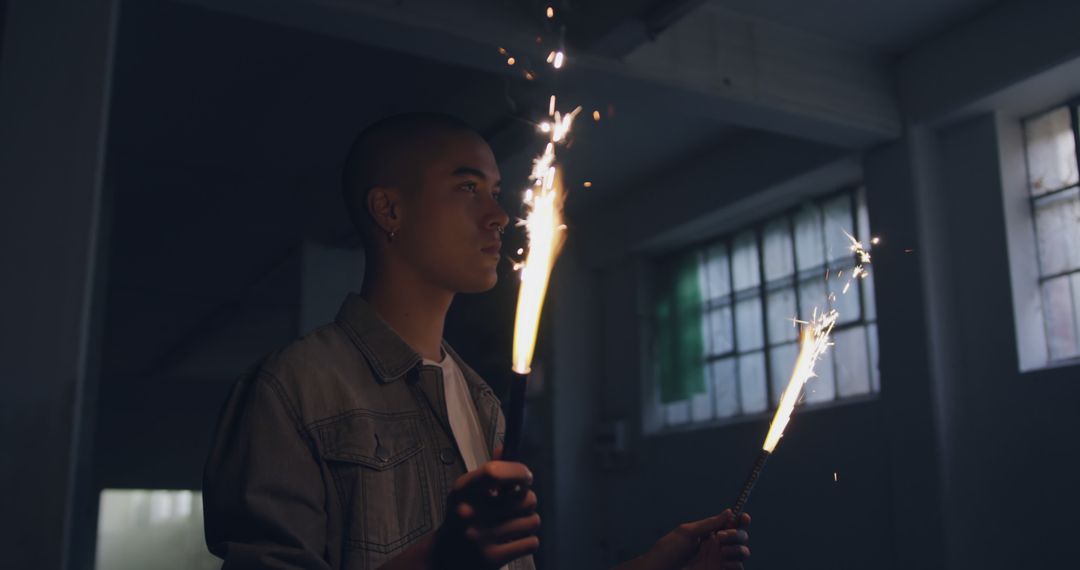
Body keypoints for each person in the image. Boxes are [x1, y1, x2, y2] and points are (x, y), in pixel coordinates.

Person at [203, 113, 750, 569]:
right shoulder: (291, 388)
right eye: (467, 188)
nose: (498, 215)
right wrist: (440, 561)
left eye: (493, 191)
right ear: (389, 209)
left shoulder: (481, 401)